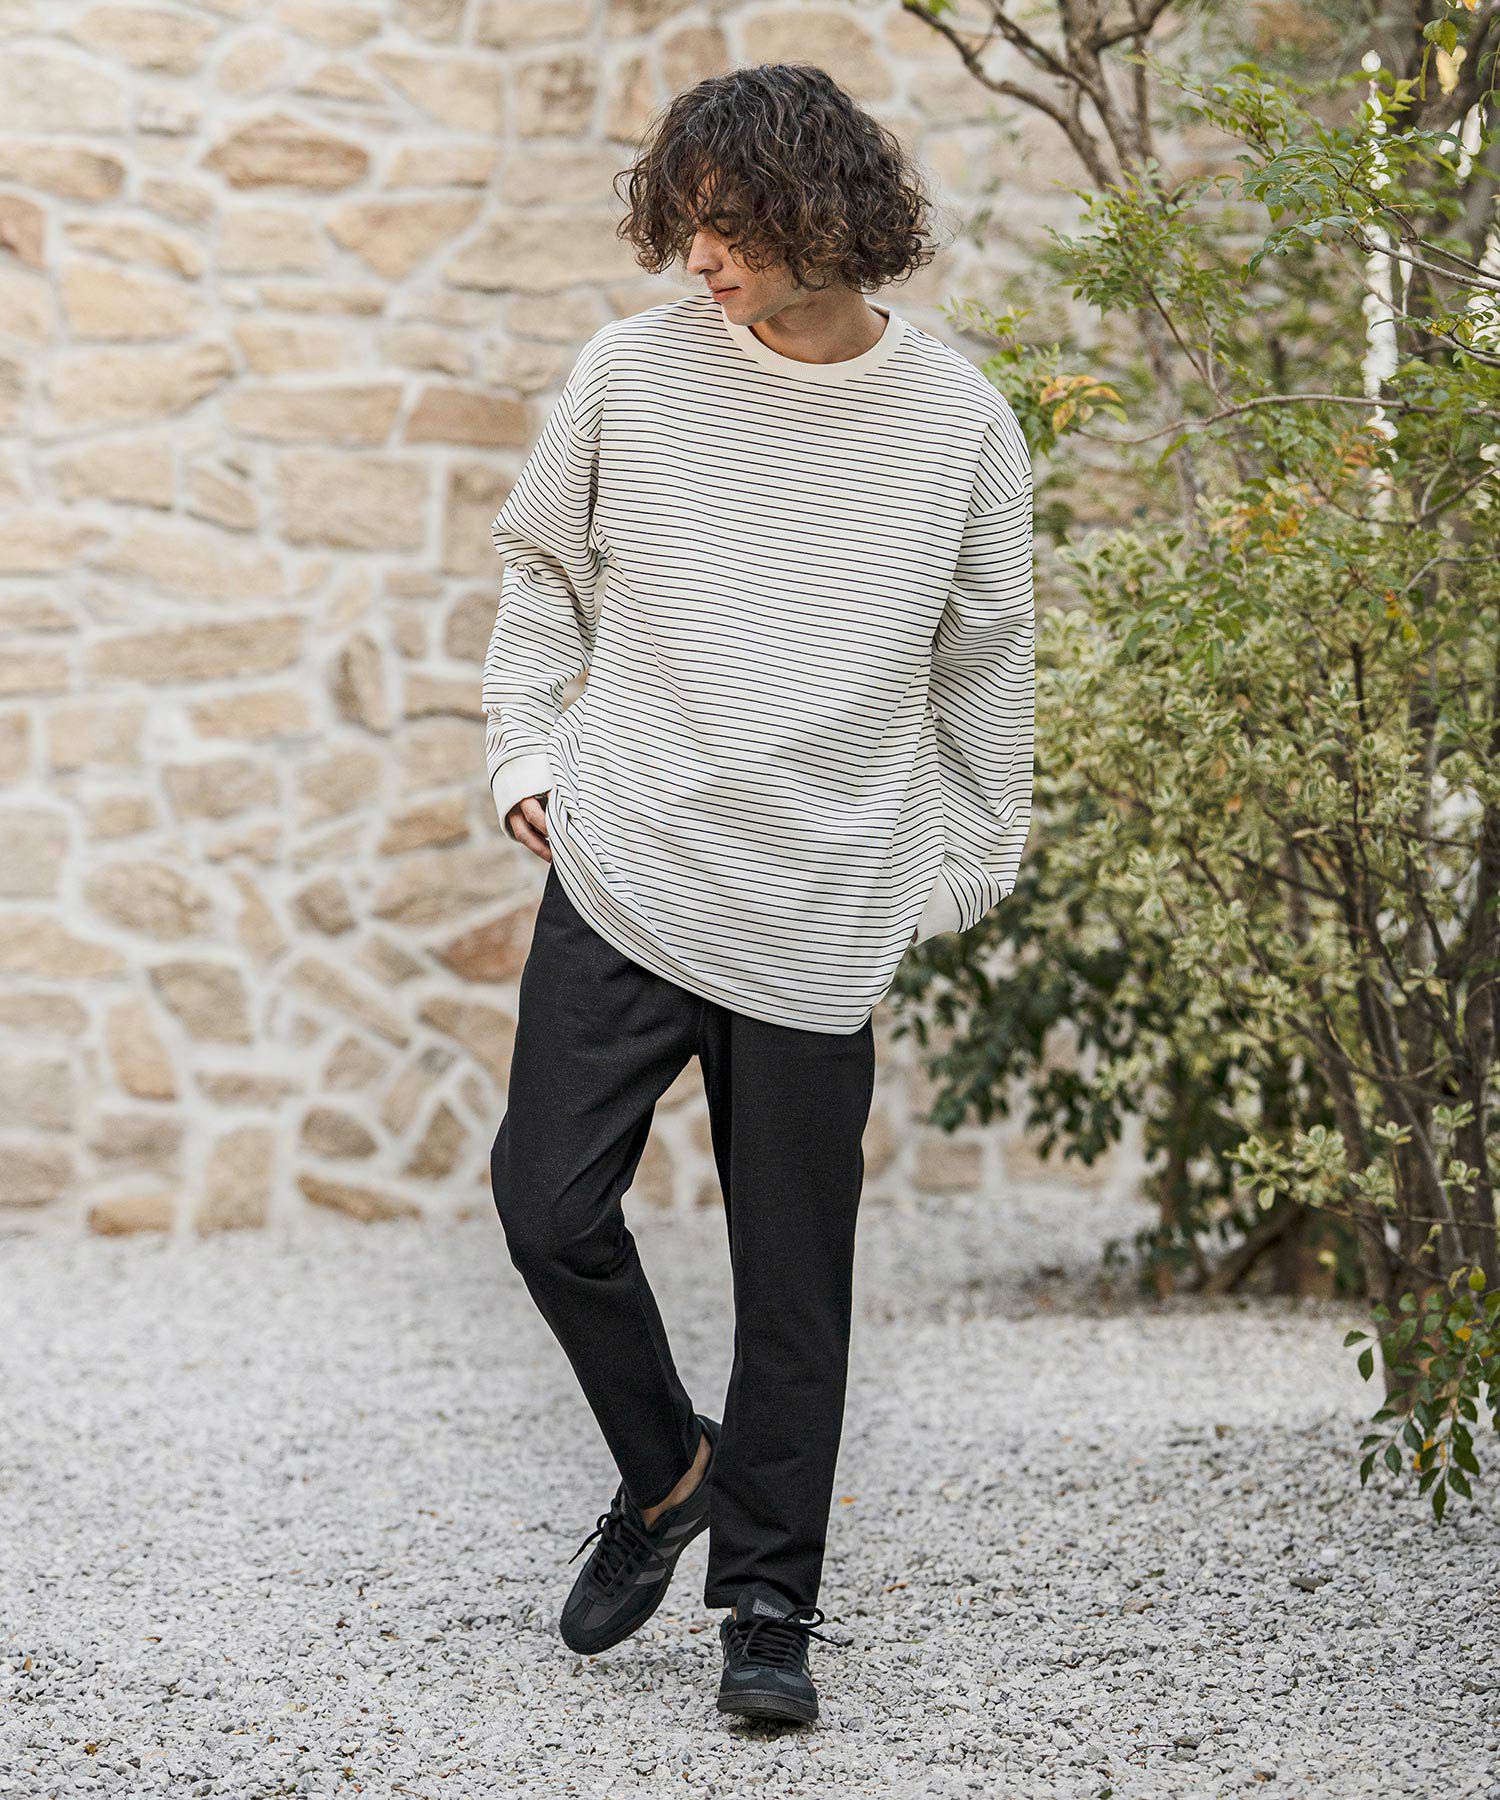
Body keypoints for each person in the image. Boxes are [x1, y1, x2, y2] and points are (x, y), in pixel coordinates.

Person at [483, 61, 1034, 1727]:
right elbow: (543, 572)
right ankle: (669, 1475)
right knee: (545, 1205)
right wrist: (527, 755)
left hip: (819, 897)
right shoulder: (632, 374)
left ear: (824, 212)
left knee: (795, 1283)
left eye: (727, 224)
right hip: (631, 859)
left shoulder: (957, 425)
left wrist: (949, 875)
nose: (699, 257)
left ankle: (769, 1607)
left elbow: (986, 668)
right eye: (684, 224)